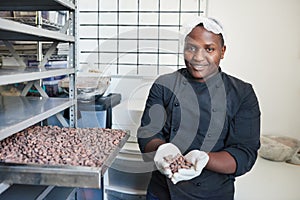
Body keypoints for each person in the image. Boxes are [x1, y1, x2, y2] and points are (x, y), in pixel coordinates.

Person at [137, 16, 261, 200]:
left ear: (222, 51)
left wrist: (205, 159)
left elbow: (245, 153)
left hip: (212, 193)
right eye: (191, 48)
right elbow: (148, 134)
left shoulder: (242, 93)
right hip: (163, 191)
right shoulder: (164, 85)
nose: (198, 57)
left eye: (209, 49)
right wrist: (163, 150)